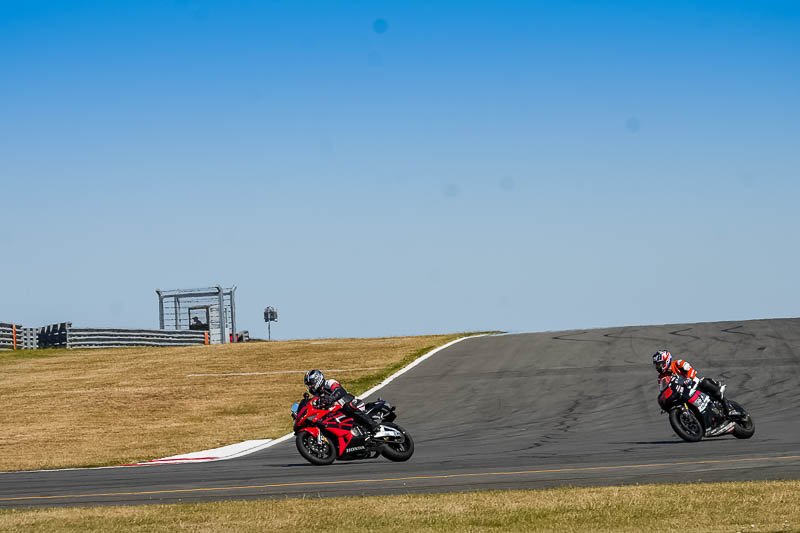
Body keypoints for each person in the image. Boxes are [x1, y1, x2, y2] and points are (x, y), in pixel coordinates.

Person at [652, 350, 735, 416]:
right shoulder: (661, 377)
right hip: (681, 393)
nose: (658, 366)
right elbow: (663, 390)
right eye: (657, 364)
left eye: (660, 363)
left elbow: (690, 369)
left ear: (667, 361)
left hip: (694, 385)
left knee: (705, 382)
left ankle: (728, 406)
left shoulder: (678, 363)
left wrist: (689, 378)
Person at [304, 369, 380, 435]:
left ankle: (373, 425)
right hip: (338, 412)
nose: (310, 387)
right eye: (309, 385)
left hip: (352, 403)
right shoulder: (317, 394)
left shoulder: (329, 383)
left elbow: (339, 390)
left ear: (318, 380)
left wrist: (331, 399)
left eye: (311, 384)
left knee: (348, 406)